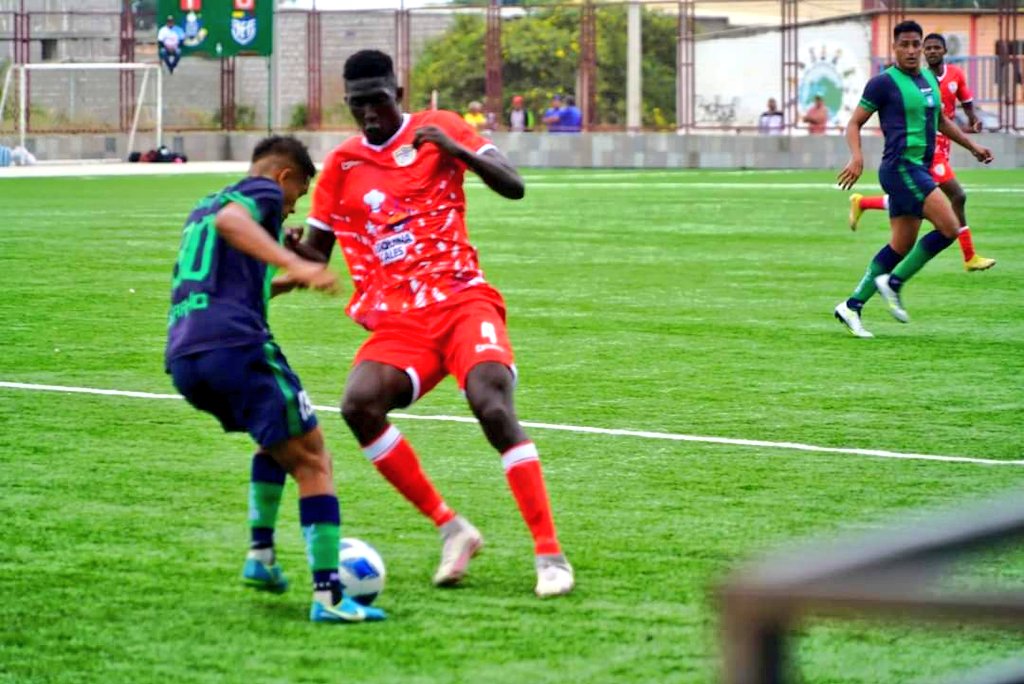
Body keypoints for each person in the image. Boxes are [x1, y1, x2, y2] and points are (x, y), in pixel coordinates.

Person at [299, 49, 575, 599]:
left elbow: (514, 184)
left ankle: (549, 554)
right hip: (401, 321)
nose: (369, 114)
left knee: (491, 405)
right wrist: (283, 248)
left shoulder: (439, 128)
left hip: (462, 301)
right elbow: (314, 254)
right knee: (358, 405)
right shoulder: (341, 167)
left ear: (398, 93)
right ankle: (452, 528)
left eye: (378, 101)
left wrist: (456, 149)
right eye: (357, 105)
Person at [165, 135, 386, 624]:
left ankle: (261, 557)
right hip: (236, 348)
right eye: (296, 196)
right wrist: (292, 260)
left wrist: (294, 277)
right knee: (314, 458)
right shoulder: (261, 192)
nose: (290, 210)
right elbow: (233, 223)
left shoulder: (203, 207)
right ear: (284, 176)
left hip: (186, 358)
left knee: (278, 440)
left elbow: (239, 287)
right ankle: (329, 598)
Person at [834, 20, 993, 338]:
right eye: (904, 45)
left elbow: (941, 121)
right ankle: (893, 283)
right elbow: (854, 123)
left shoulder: (929, 80)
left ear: (921, 47)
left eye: (915, 44)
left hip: (919, 168)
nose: (910, 50)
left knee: (900, 246)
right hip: (900, 169)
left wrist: (973, 146)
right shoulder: (882, 84)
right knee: (949, 228)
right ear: (894, 47)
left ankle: (851, 306)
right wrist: (857, 157)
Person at [848, 32, 996, 272]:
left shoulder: (945, 77)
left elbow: (948, 115)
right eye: (928, 47)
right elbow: (857, 121)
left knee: (907, 223)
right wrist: (857, 156)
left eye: (935, 47)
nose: (931, 51)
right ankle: (966, 256)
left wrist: (972, 131)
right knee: (955, 201)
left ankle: (863, 204)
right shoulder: (894, 82)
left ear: (945, 51)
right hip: (920, 154)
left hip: (938, 151)